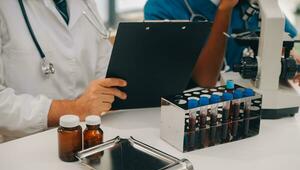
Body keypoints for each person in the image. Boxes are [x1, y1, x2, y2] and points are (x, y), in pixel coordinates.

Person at [0, 0, 127, 141]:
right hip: (27, 146)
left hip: (89, 137)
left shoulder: (85, 3)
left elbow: (104, 67)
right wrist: (76, 109)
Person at [144, 0, 300, 85]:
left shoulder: (254, 4)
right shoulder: (162, 7)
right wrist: (225, 9)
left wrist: (288, 60)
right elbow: (205, 80)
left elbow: (284, 43)